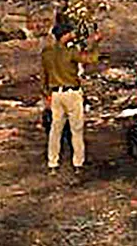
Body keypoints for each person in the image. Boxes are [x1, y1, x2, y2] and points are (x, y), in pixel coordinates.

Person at [42, 21, 97, 171]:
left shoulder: (47, 52)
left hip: (55, 94)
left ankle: (53, 162)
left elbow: (44, 77)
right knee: (76, 130)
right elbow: (91, 58)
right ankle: (77, 163)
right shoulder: (71, 51)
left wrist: (46, 94)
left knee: (55, 130)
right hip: (72, 93)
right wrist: (95, 44)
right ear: (65, 35)